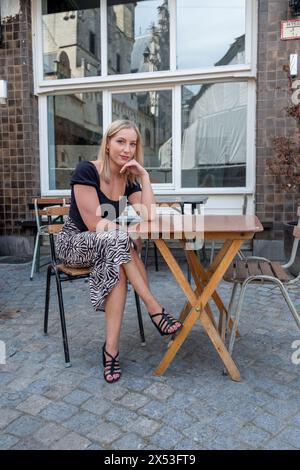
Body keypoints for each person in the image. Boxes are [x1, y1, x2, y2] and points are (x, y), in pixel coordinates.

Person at [56, 119, 182, 383]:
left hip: (109, 246)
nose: (127, 149)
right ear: (108, 143)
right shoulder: (87, 170)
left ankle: (110, 351)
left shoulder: (129, 177)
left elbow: (148, 216)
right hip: (75, 243)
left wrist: (145, 176)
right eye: (120, 141)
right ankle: (154, 308)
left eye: (132, 143)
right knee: (120, 242)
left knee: (118, 263)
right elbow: (93, 223)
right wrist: (124, 234)